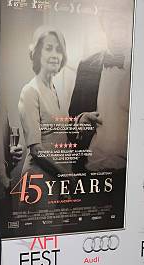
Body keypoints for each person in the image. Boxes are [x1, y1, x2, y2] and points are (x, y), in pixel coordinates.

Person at [69, 0, 133, 175]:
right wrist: (80, 121)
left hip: (131, 175)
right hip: (91, 169)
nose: (117, 21)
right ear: (103, 22)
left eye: (123, 16)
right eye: (111, 16)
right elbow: (71, 119)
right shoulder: (86, 66)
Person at [18, 26, 69, 190]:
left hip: (58, 178)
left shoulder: (56, 90)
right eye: (49, 48)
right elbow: (36, 150)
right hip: (38, 181)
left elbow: (60, 130)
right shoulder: (30, 91)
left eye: (59, 50)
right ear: (38, 53)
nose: (55, 55)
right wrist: (66, 176)